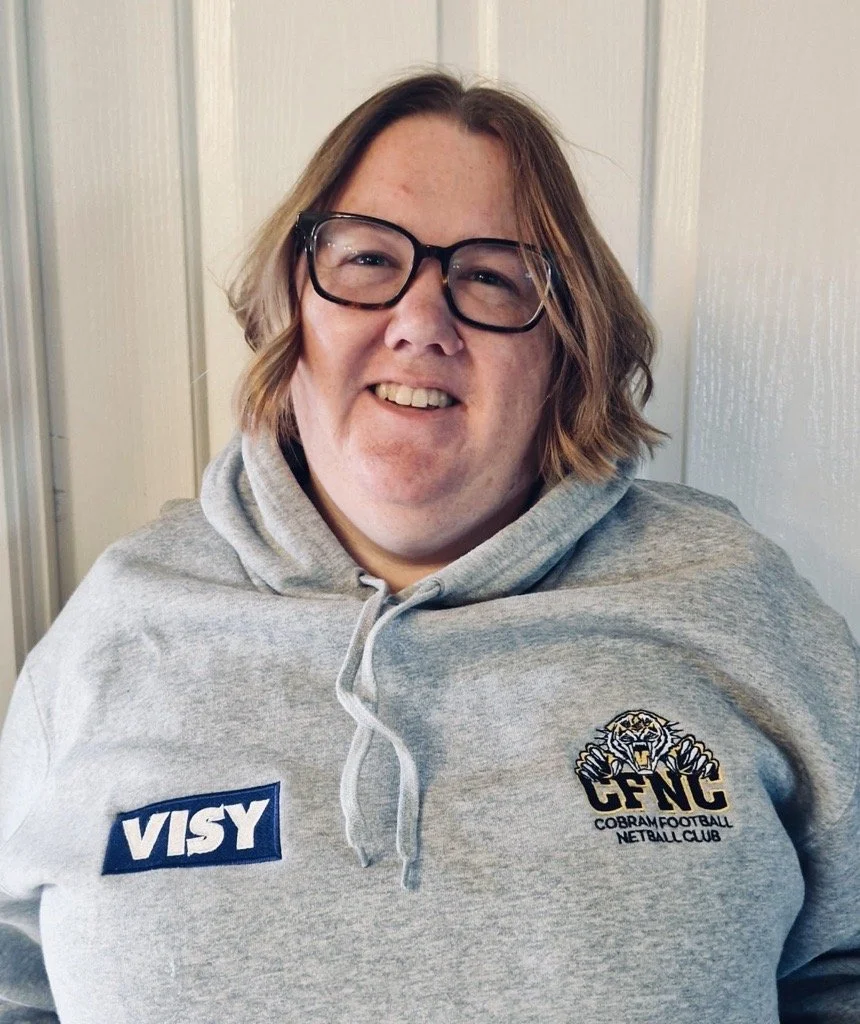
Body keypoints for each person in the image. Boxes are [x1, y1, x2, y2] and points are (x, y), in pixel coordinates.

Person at [0, 71, 856, 1023]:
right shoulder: (119, 629)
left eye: (490, 277)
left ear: (566, 348)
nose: (420, 323)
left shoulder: (735, 604)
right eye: (369, 260)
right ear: (291, 308)